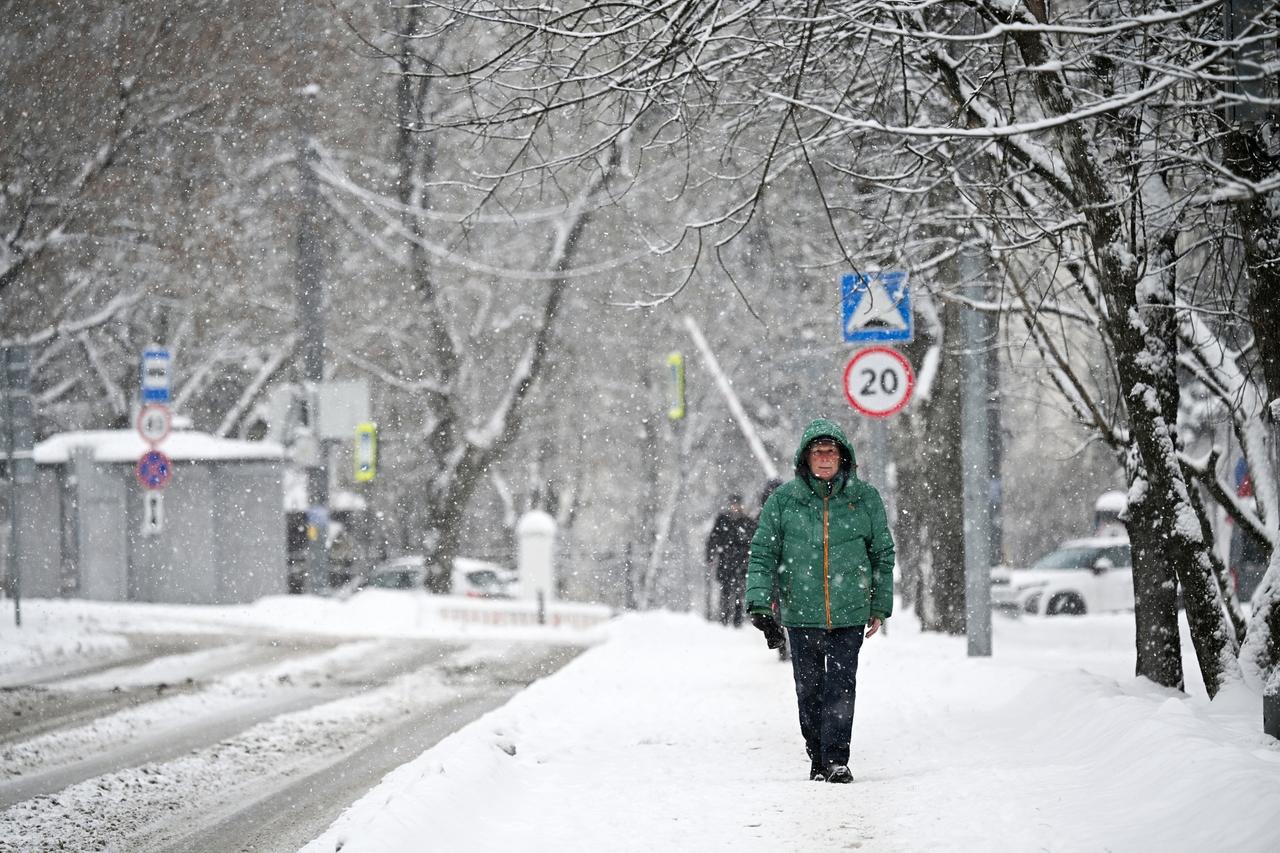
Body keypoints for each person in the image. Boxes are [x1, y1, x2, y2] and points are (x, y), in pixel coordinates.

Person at [746, 418, 895, 784]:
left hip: (849, 611)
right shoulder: (784, 502)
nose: (825, 458)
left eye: (831, 452)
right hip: (801, 612)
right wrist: (760, 605)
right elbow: (763, 553)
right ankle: (818, 754)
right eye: (818, 452)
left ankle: (837, 760)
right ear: (806, 459)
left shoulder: (865, 500)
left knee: (841, 687)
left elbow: (882, 553)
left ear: (843, 457)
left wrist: (879, 606)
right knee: (809, 690)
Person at [706, 493, 754, 627]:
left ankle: (737, 621)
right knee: (725, 592)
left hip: (741, 563)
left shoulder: (747, 522)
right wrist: (710, 555)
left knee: (739, 593)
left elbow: (752, 541)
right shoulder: (722, 520)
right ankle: (724, 619)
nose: (735, 507)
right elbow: (713, 539)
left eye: (737, 504)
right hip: (726, 562)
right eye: (733, 504)